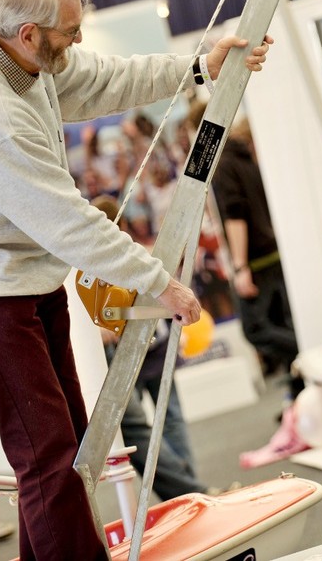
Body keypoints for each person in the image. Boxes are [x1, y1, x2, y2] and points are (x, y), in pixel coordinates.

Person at [0, 0, 272, 560]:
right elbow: (68, 221)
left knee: (71, 446)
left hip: (24, 270)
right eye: (70, 33)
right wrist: (161, 283)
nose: (79, 40)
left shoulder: (31, 60)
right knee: (46, 454)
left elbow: (107, 79)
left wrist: (197, 66)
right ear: (29, 34)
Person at [89, 194, 209, 500]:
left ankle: (188, 487)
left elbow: (131, 308)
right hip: (140, 347)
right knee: (160, 421)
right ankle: (189, 486)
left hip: (140, 347)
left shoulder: (109, 259)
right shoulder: (134, 254)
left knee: (155, 422)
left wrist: (109, 322)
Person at [187, 106, 301, 385]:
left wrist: (239, 266)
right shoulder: (244, 155)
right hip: (270, 251)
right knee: (280, 322)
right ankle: (300, 389)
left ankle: (308, 354)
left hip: (255, 259)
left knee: (256, 329)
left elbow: (235, 215)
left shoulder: (224, 162)